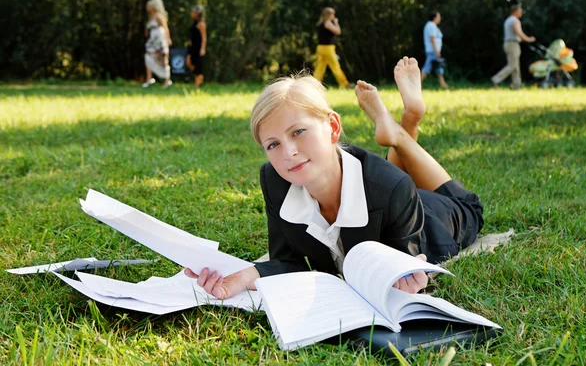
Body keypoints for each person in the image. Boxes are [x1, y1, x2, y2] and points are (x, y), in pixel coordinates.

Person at [185, 57, 484, 300]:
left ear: (332, 126)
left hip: (432, 214)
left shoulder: (393, 188)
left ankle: (407, 126)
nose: (288, 152)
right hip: (386, 189)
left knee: (468, 205)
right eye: (273, 144)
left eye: (298, 132)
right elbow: (288, 259)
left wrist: (404, 281)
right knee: (389, 181)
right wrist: (248, 275)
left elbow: (401, 272)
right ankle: (398, 130)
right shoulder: (274, 181)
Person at [491, 5, 536, 89]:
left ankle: (517, 85)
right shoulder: (515, 20)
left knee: (515, 66)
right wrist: (528, 39)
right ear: (515, 11)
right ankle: (495, 79)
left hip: (508, 44)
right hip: (513, 44)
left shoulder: (508, 20)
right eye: (520, 11)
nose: (521, 12)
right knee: (512, 65)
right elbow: (518, 32)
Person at [313, 7, 355, 89]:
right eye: (333, 14)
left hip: (321, 48)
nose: (334, 16)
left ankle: (314, 84)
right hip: (328, 48)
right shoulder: (327, 23)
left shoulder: (321, 23)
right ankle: (345, 84)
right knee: (335, 66)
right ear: (329, 15)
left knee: (320, 68)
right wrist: (336, 23)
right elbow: (338, 31)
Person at [142, 0, 172, 88]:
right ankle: (149, 79)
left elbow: (165, 27)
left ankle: (167, 80)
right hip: (152, 41)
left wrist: (168, 39)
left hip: (159, 40)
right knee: (148, 57)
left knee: (162, 59)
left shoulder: (159, 16)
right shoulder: (151, 16)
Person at [421, 10, 449, 89]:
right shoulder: (431, 26)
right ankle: (417, 84)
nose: (440, 18)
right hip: (432, 51)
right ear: (435, 17)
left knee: (438, 67)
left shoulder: (431, 25)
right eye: (439, 16)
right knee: (427, 67)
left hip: (433, 50)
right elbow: (432, 39)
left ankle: (442, 84)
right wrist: (436, 51)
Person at [186, 5, 207, 87]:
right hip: (192, 47)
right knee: (189, 62)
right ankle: (200, 78)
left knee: (198, 65)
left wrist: (203, 49)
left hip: (198, 47)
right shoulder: (194, 23)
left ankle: (198, 83)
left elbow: (204, 37)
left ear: (197, 13)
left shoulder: (201, 24)